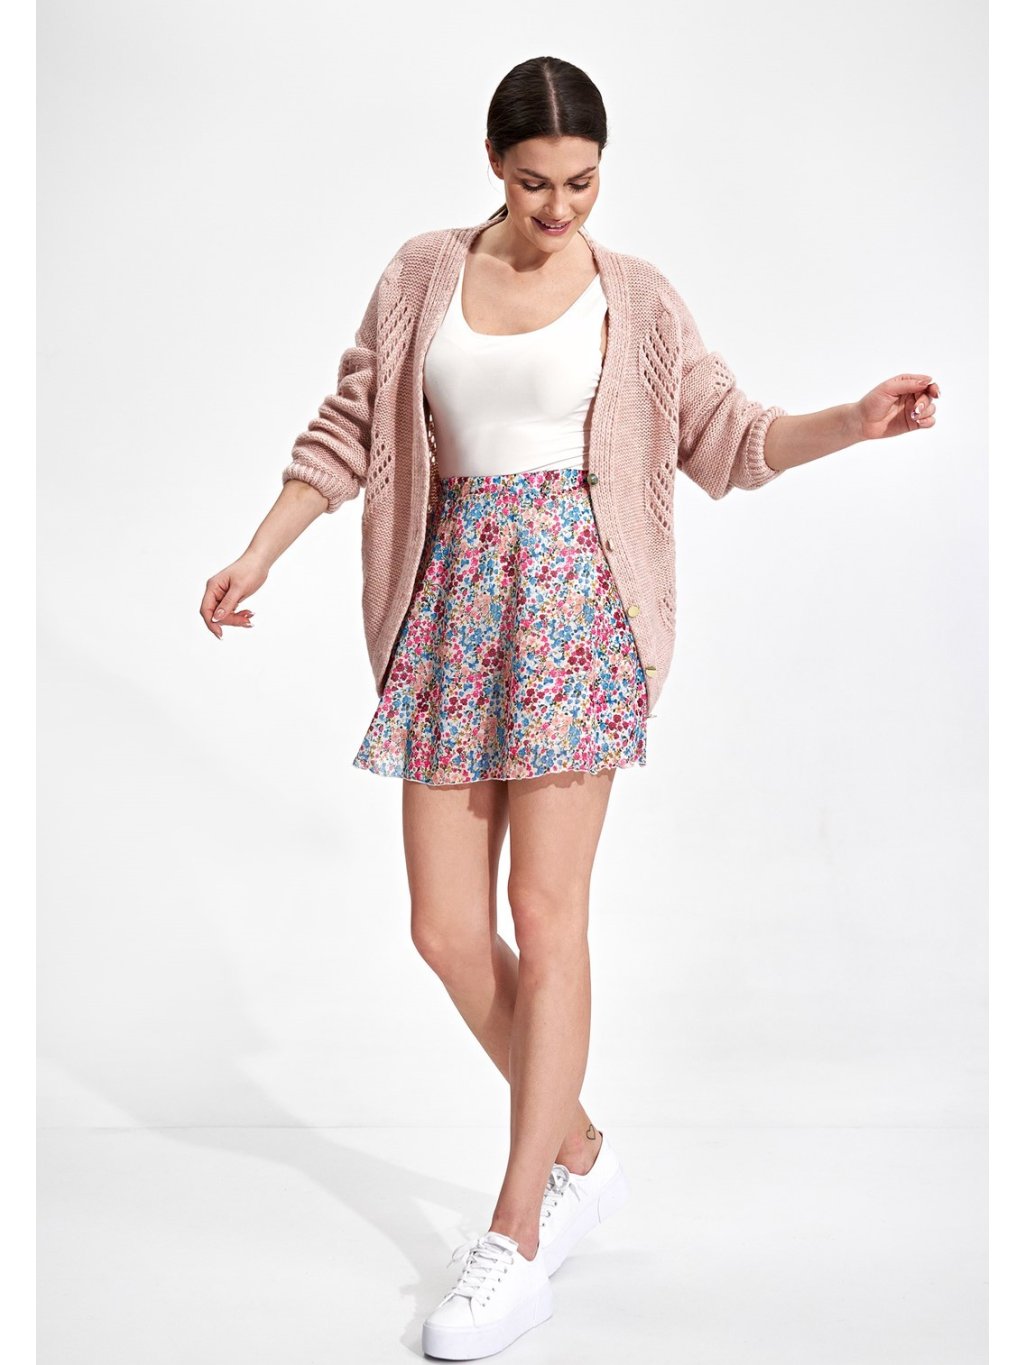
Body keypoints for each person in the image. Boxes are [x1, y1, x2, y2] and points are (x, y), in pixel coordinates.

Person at [199, 54, 940, 1363]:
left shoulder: (634, 299)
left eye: (583, 184)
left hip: (576, 614)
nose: (560, 209)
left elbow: (728, 438)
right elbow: (350, 427)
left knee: (547, 920)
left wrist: (851, 421)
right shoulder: (420, 275)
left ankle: (518, 1232)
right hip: (450, 610)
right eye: (537, 182)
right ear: (496, 165)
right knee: (444, 930)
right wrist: (259, 552)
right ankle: (580, 1150)